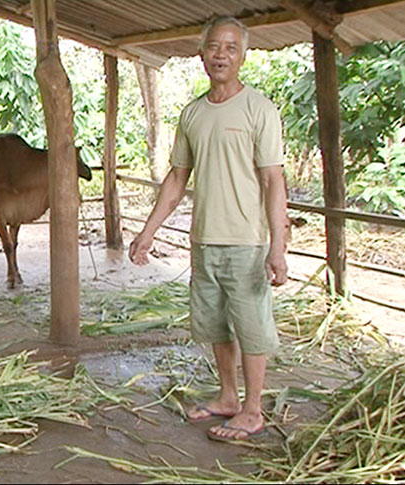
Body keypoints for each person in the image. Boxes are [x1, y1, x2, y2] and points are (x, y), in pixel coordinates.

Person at [129, 15, 289, 442]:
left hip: (247, 242)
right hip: (204, 240)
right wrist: (148, 232)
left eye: (230, 48)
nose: (221, 55)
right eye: (214, 47)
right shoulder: (193, 114)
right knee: (216, 325)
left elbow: (275, 181)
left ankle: (253, 410)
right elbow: (177, 179)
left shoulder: (260, 109)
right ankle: (228, 397)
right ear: (202, 54)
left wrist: (279, 247)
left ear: (243, 56)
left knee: (252, 327)